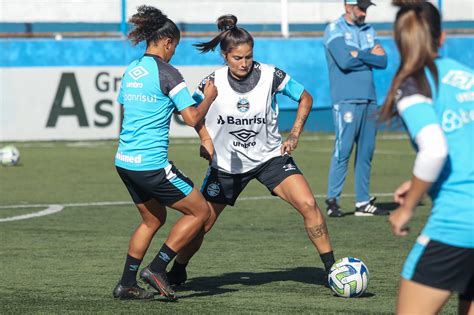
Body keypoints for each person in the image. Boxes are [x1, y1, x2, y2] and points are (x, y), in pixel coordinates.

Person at [165, 14, 336, 287]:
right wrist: (205, 139)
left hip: (270, 159)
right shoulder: (212, 82)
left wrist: (294, 134)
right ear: (224, 56)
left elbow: (306, 97)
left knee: (308, 204)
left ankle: (332, 270)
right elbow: (194, 115)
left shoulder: (271, 75)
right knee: (203, 224)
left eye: (248, 56)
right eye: (237, 58)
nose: (244, 63)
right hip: (226, 165)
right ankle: (178, 269)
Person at [112, 5, 218, 300]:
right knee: (201, 211)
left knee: (152, 220)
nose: (174, 53)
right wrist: (208, 98)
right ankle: (158, 268)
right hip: (151, 165)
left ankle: (126, 284)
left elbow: (124, 110)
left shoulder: (132, 70)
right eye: (175, 47)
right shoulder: (168, 72)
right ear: (167, 41)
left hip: (125, 161)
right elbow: (192, 117)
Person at [381, 1, 474, 313]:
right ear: (442, 37)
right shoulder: (468, 76)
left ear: (399, 40)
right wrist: (422, 182)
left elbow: (434, 149)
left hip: (459, 223)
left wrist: (407, 208)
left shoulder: (413, 84)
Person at [323, 0, 388, 217]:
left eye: (366, 8)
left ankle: (362, 203)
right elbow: (344, 61)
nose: (364, 12)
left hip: (369, 99)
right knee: (343, 150)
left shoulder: (369, 30)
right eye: (361, 7)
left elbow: (384, 61)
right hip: (346, 100)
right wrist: (370, 55)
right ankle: (333, 200)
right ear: (347, 7)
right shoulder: (334, 29)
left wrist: (358, 54)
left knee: (366, 152)